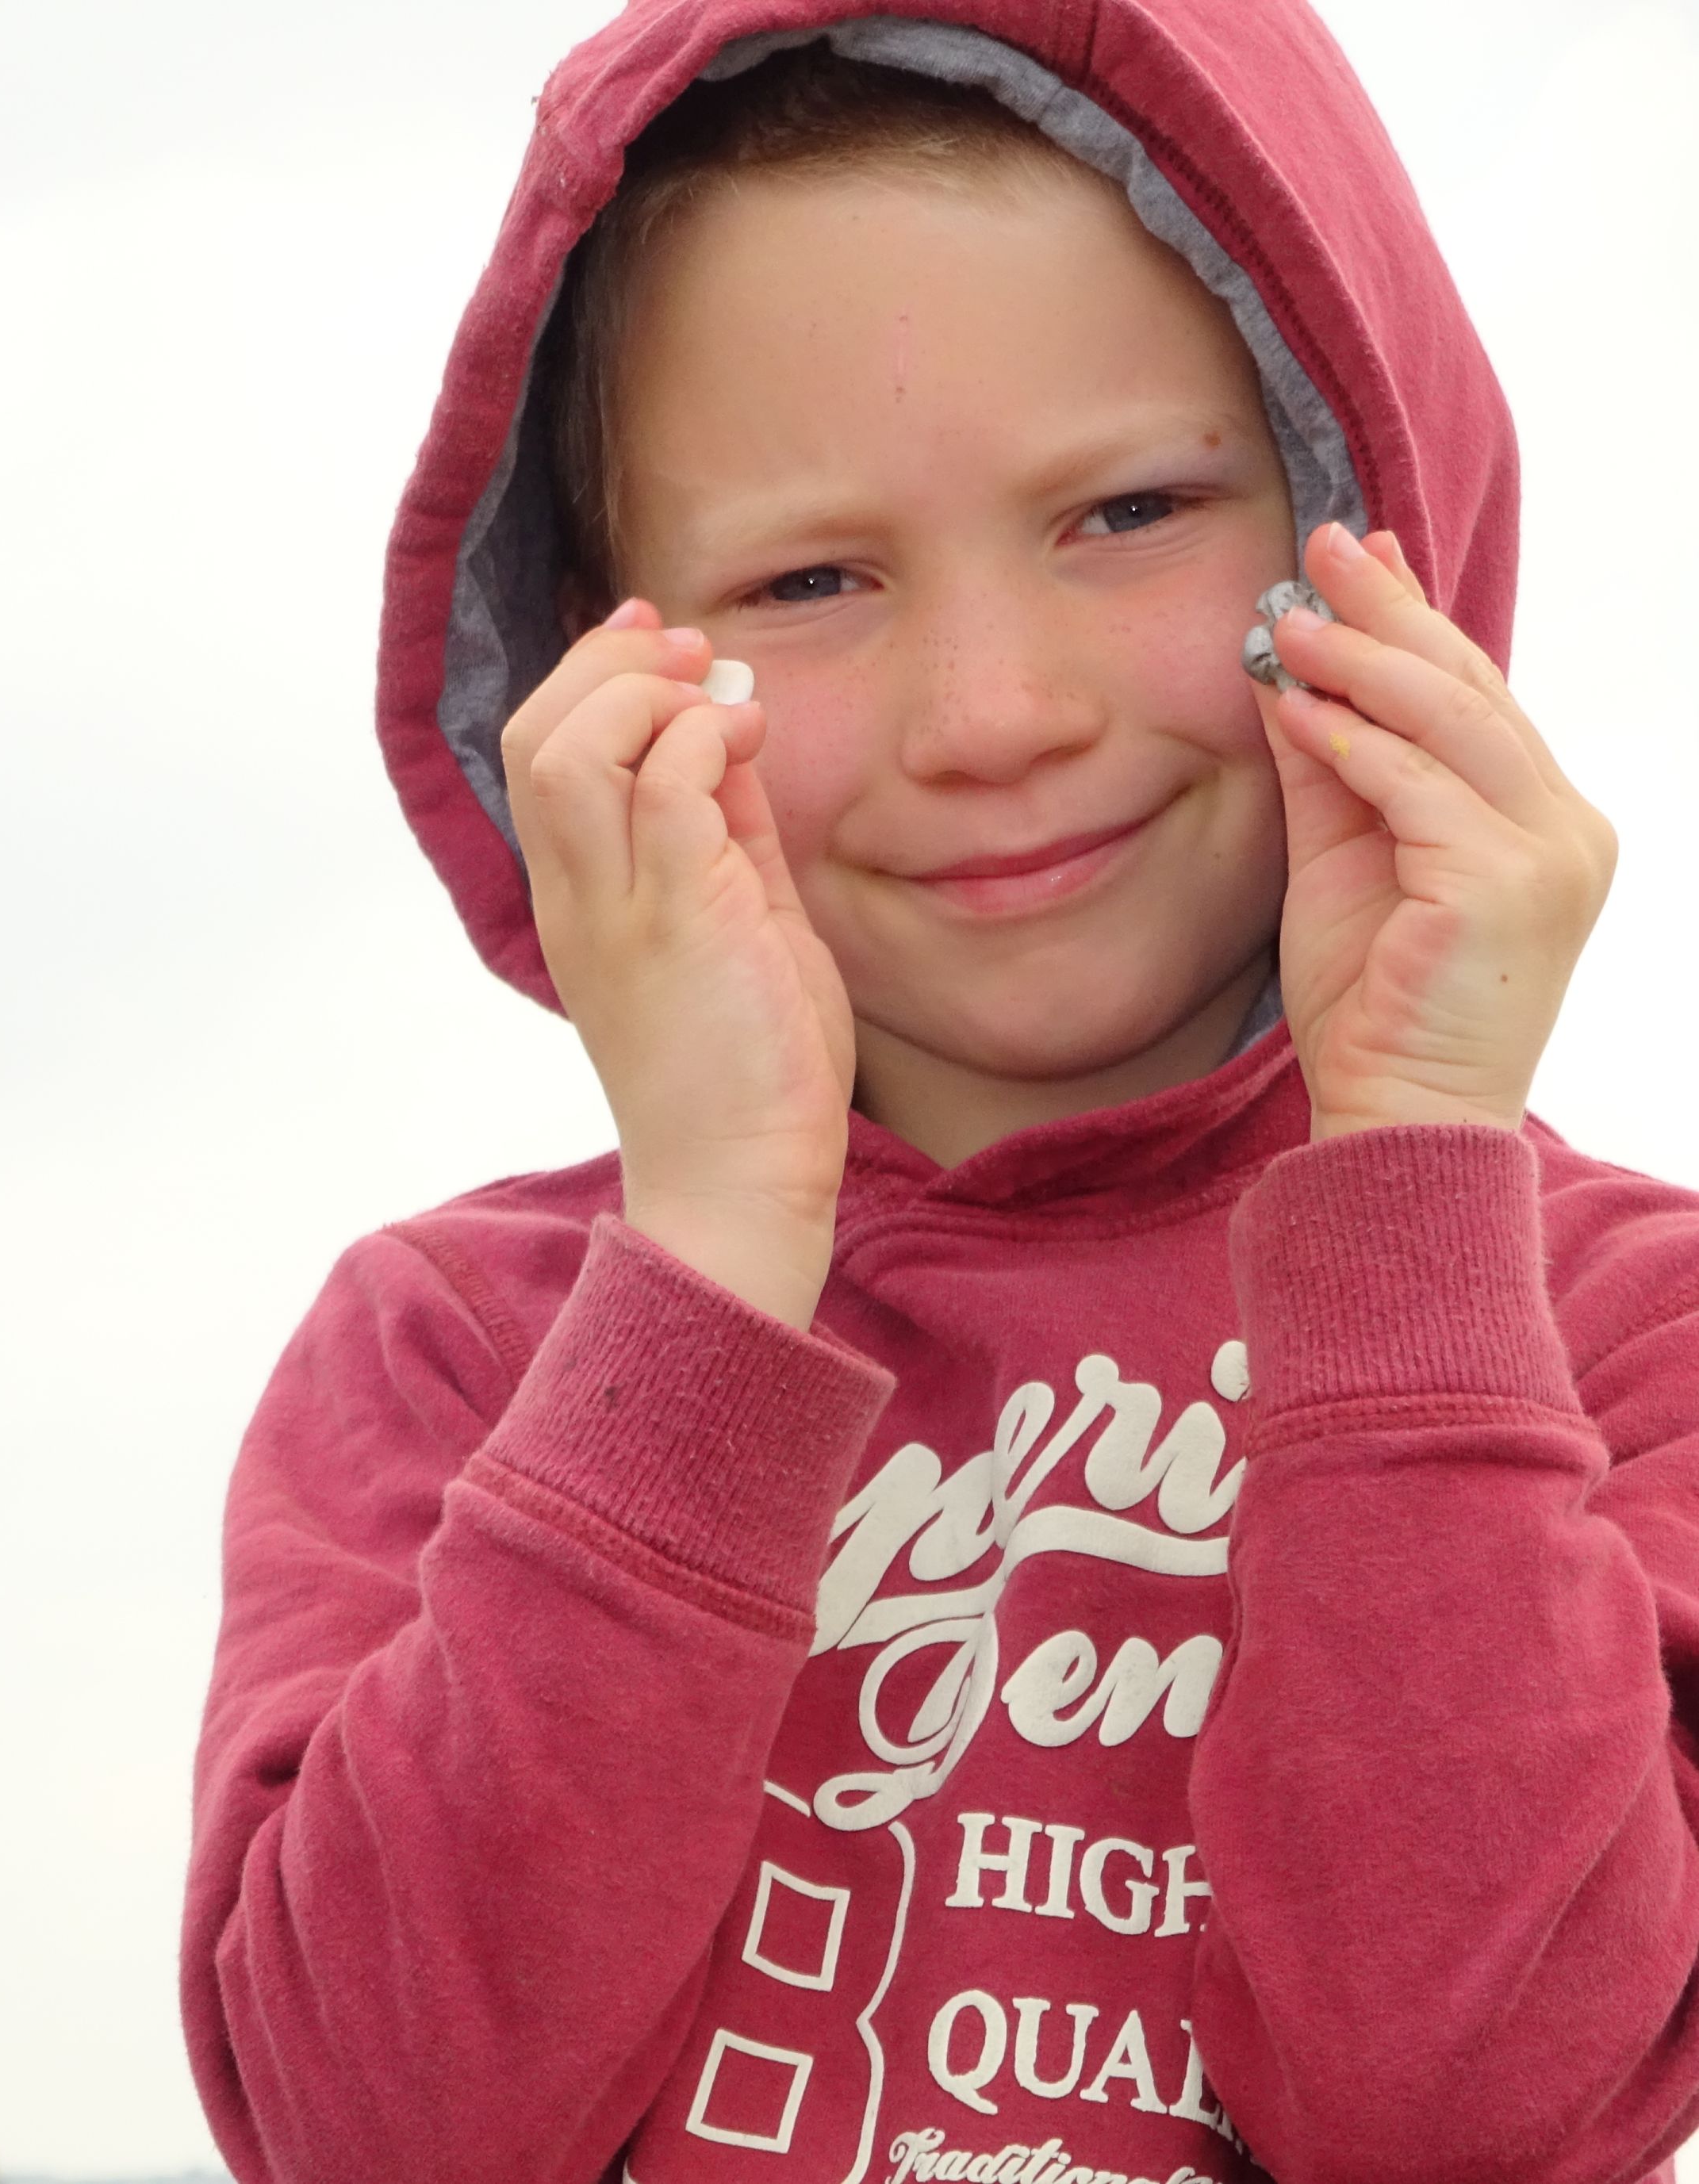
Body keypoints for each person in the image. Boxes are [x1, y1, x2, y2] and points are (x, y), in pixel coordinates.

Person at [181, 6, 1699, 2182]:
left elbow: (1459, 2113)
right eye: (809, 580)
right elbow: (385, 2132)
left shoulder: (1620, 1333)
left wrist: (1413, 1190)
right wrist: (712, 1256)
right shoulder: (458, 1354)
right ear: (600, 667)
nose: (991, 716)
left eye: (1129, 511)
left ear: (1365, 524)